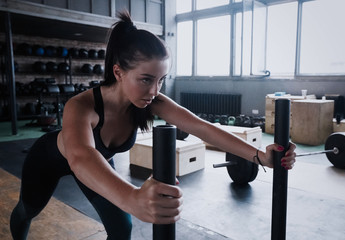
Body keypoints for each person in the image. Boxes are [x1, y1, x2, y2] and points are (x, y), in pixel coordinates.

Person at [10, 11, 296, 240]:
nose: (154, 90)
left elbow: (200, 126)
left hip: (95, 166)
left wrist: (260, 156)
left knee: (122, 230)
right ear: (119, 72)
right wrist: (133, 198)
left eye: (161, 80)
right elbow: (80, 156)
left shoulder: (149, 100)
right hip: (48, 161)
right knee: (27, 211)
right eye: (146, 79)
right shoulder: (82, 106)